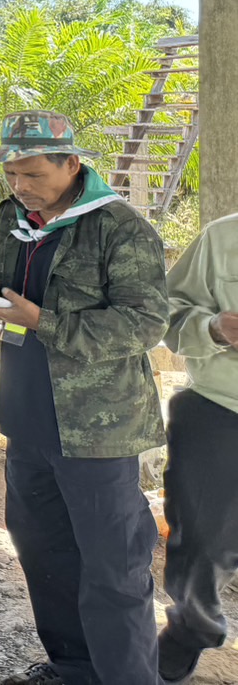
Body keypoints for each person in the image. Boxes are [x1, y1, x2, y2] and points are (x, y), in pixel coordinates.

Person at [0, 110, 169, 685]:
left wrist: (42, 321)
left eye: (32, 175)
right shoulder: (13, 219)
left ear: (72, 164)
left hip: (98, 429)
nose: (20, 187)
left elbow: (145, 325)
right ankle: (73, 668)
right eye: (12, 175)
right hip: (28, 416)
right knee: (44, 554)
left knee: (113, 569)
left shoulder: (119, 229)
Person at [157, 214, 238, 685]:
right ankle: (189, 632)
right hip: (221, 409)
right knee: (200, 543)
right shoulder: (222, 237)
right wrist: (213, 328)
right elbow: (164, 313)